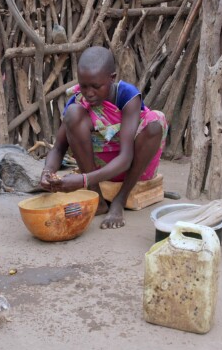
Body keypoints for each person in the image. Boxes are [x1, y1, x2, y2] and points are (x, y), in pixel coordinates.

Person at [40, 46, 167, 229]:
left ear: (112, 78)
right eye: (84, 86)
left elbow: (126, 158)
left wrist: (83, 180)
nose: (89, 93)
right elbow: (59, 148)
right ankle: (97, 198)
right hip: (98, 170)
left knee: (155, 121)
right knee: (73, 113)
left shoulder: (127, 95)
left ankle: (119, 200)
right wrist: (47, 172)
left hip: (132, 167)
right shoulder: (78, 101)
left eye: (96, 86)